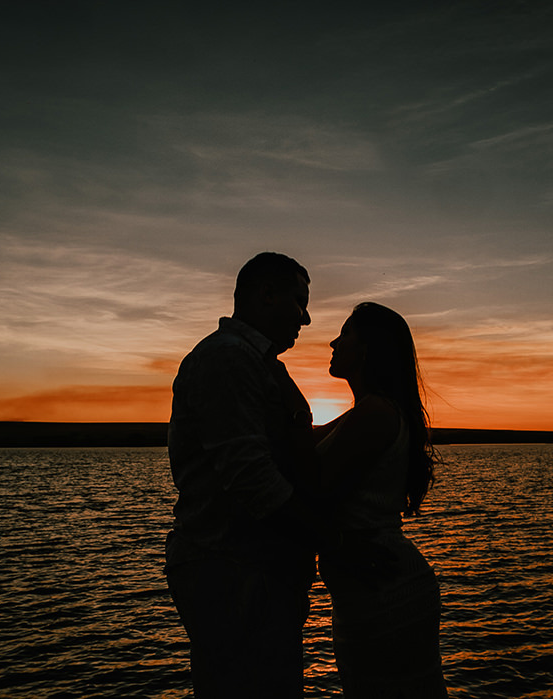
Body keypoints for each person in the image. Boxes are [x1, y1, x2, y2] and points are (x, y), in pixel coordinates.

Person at [165, 252, 318, 698]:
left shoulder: (256, 362)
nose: (305, 319)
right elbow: (252, 479)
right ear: (266, 294)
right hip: (234, 576)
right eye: (299, 301)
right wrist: (333, 540)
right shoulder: (228, 359)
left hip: (254, 575)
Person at [314, 302, 448, 697]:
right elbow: (298, 444)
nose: (334, 342)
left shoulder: (376, 413)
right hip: (369, 586)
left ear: (368, 349)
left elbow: (312, 486)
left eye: (347, 333)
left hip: (384, 588)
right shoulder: (364, 412)